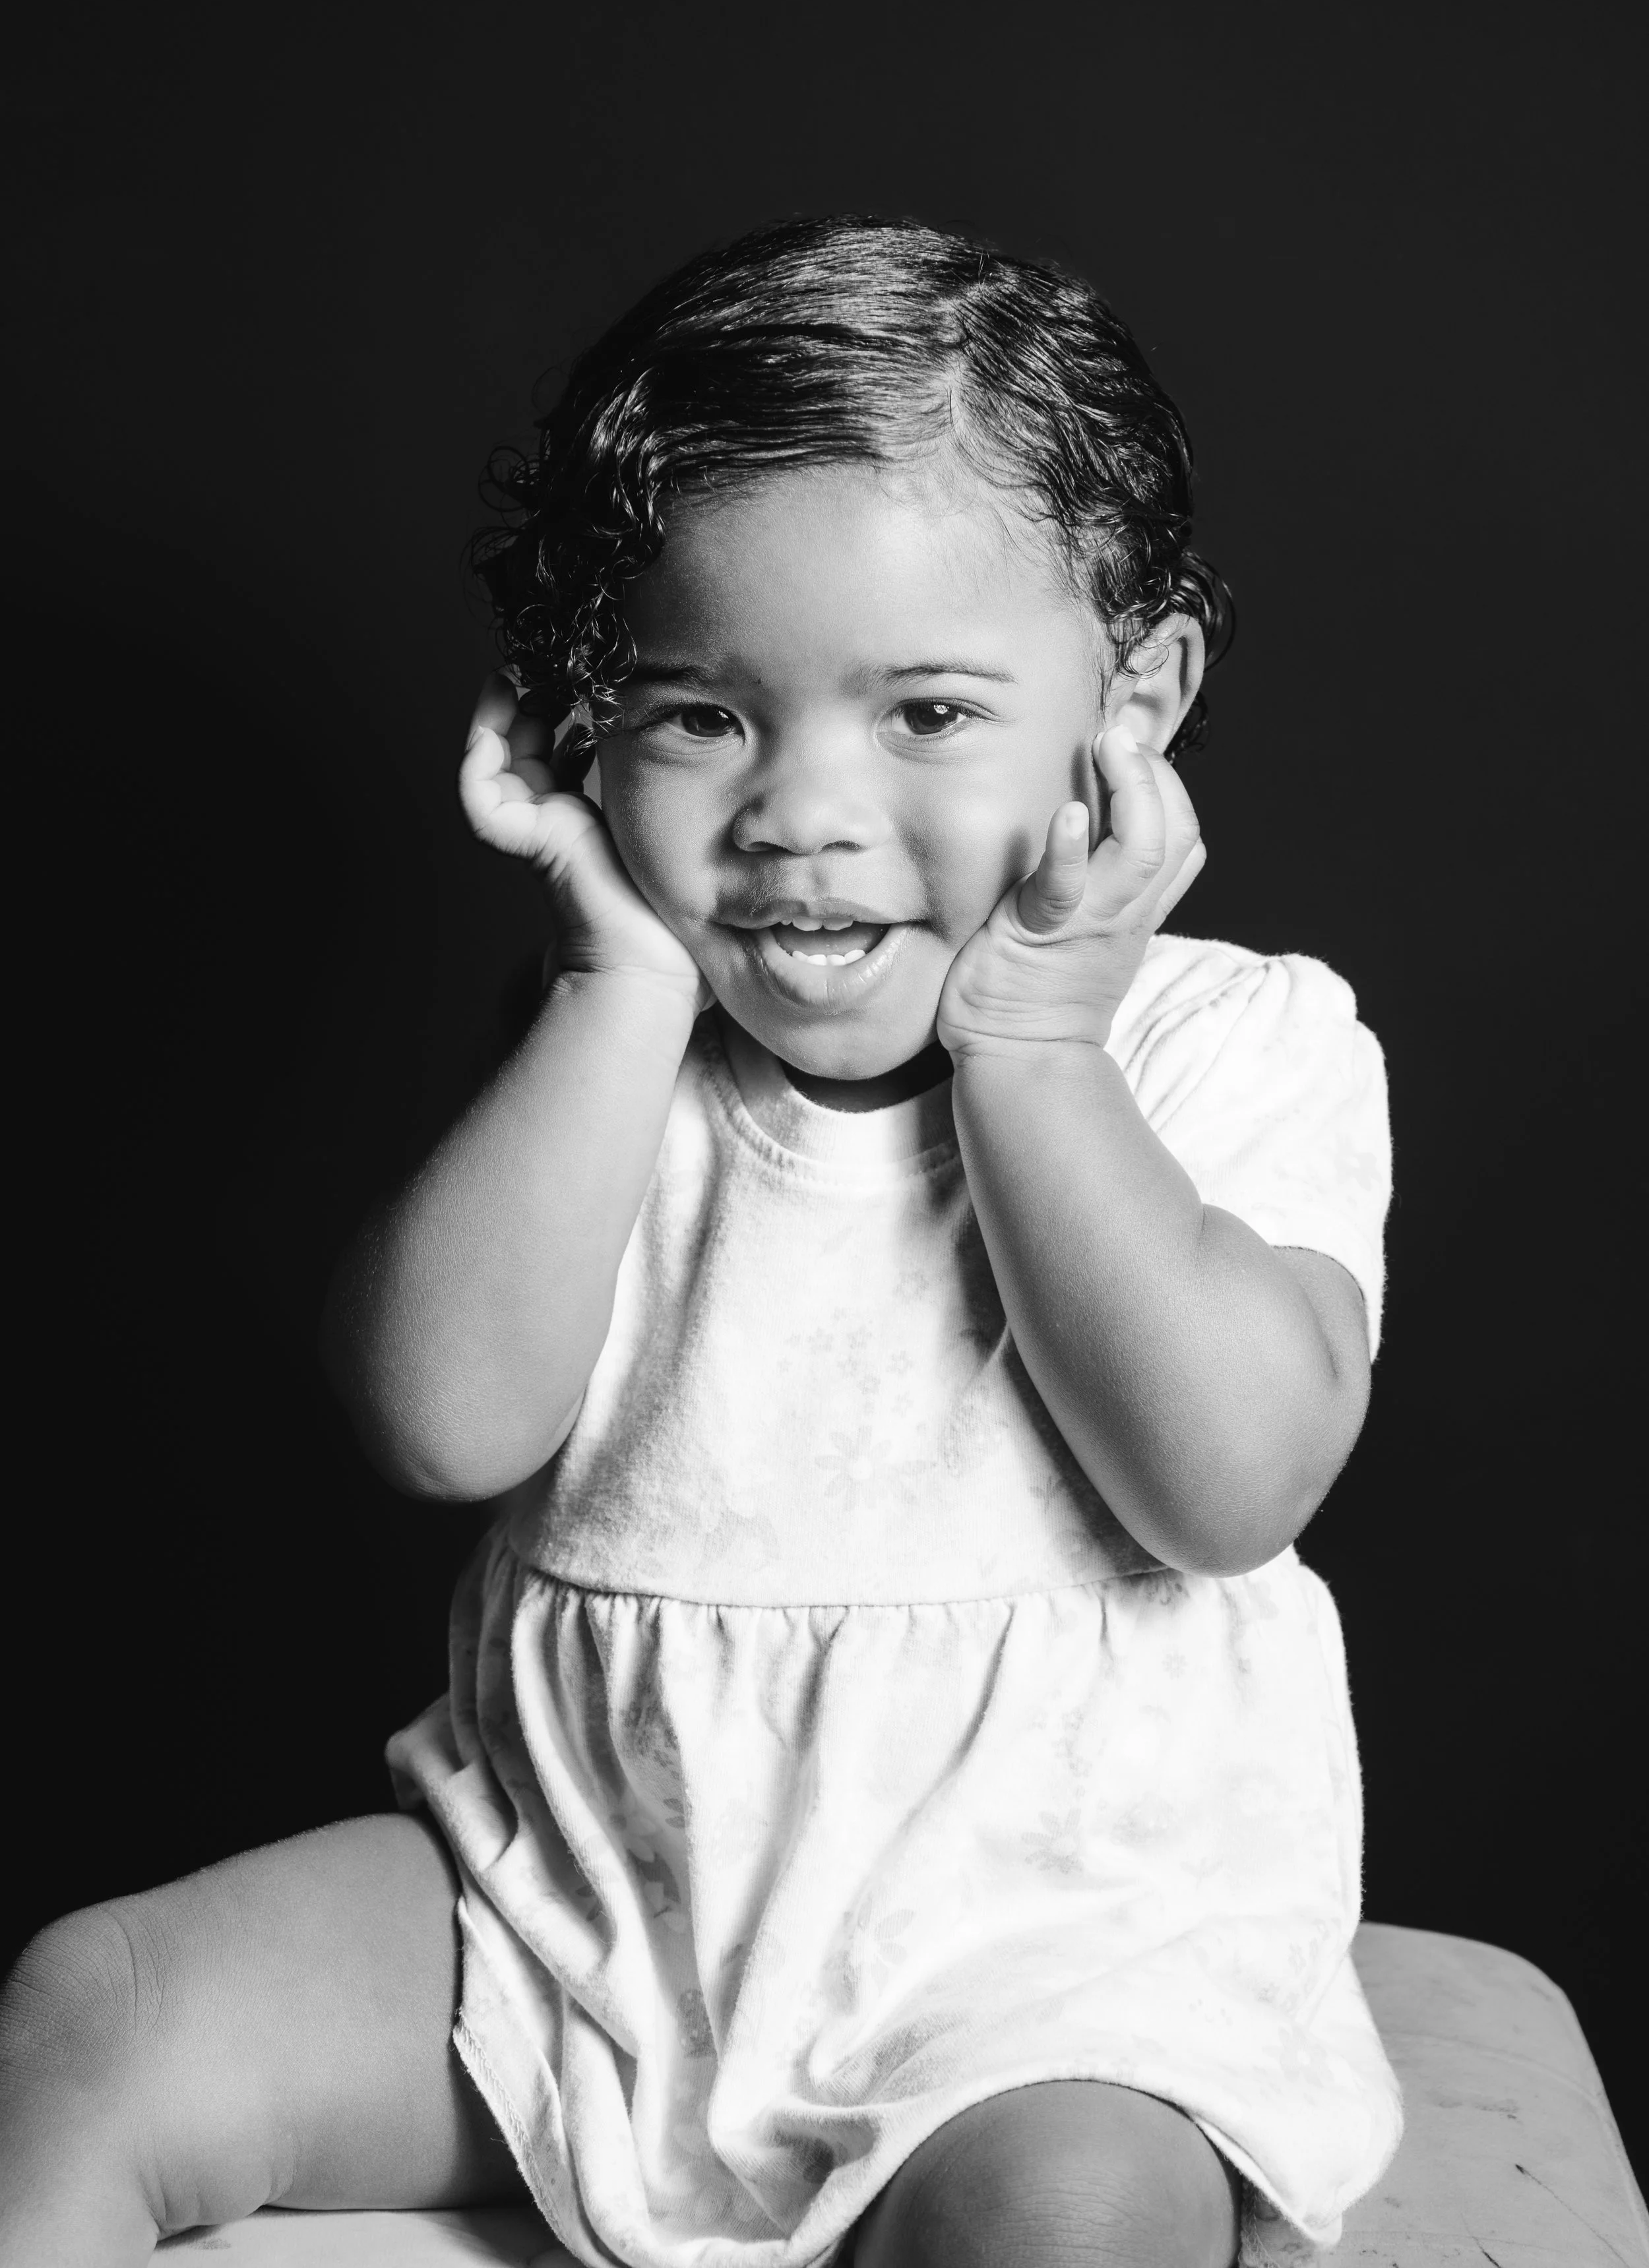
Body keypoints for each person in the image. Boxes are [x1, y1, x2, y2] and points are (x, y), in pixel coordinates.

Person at [0, 218, 1402, 2267]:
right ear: (580, 724)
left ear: (1137, 699)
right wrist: (613, 979)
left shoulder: (1229, 1040)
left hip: (1046, 1984)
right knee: (90, 2014)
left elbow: (1224, 1479)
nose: (799, 813)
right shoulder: (621, 1049)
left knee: (1070, 2225)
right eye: (697, 715)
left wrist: (1030, 1038)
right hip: (580, 1915)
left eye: (925, 711)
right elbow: (438, 1419)